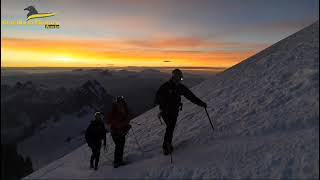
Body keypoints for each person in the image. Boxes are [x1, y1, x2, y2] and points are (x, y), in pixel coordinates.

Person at [154, 69, 207, 155]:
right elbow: (191, 97)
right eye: (179, 78)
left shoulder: (166, 86)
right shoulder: (177, 88)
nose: (180, 80)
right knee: (170, 127)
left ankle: (167, 145)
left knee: (170, 127)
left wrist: (201, 104)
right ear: (176, 77)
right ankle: (166, 147)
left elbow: (157, 99)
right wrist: (202, 104)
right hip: (169, 112)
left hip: (167, 112)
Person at [106, 96, 131, 168]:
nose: (121, 103)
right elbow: (112, 121)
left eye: (121, 101)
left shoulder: (119, 109)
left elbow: (123, 120)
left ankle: (118, 161)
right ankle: (117, 162)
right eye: (120, 101)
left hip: (119, 131)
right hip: (116, 132)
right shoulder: (116, 111)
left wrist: (126, 125)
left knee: (120, 145)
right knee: (119, 145)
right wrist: (125, 124)